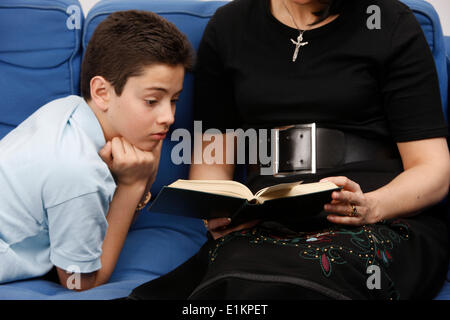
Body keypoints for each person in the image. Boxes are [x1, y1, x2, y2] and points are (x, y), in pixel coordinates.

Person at [129, 0, 449, 300]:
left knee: (308, 272)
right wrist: (218, 212)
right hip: (269, 221)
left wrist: (371, 206)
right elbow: (213, 159)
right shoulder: (230, 27)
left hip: (374, 215)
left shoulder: (389, 21)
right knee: (232, 275)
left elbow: (433, 168)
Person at [0, 10, 193, 291]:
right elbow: (79, 283)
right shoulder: (78, 173)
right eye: (152, 101)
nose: (169, 117)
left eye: (174, 100)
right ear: (102, 92)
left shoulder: (66, 109)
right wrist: (133, 185)